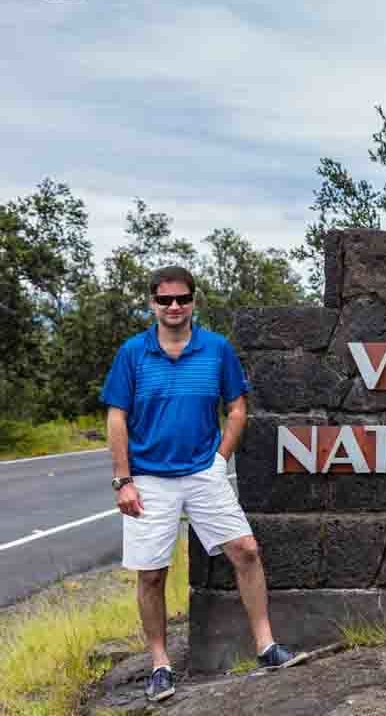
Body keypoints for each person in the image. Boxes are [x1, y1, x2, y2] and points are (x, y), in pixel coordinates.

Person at [101, 266, 307, 702]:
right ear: (153, 304)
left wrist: (219, 460)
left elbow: (236, 408)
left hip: (203, 473)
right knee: (152, 575)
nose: (174, 307)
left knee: (247, 551)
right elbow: (116, 416)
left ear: (193, 301)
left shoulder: (216, 349)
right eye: (164, 300)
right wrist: (123, 480)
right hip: (149, 478)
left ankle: (267, 647)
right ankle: (160, 666)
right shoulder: (132, 353)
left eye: (182, 299)